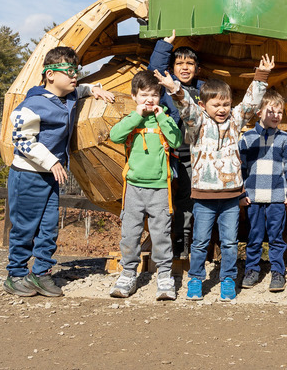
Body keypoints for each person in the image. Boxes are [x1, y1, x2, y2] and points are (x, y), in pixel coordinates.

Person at [156, 54, 275, 301]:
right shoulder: (197, 122)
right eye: (216, 105)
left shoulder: (235, 120)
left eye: (226, 104)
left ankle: (228, 279)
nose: (222, 110)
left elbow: (251, 103)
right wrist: (174, 89)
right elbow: (185, 105)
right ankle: (196, 280)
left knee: (230, 242)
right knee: (199, 242)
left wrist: (261, 76)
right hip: (204, 196)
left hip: (231, 196)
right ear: (204, 106)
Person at [4, 46, 116, 297]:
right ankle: (16, 274)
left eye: (76, 71)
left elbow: (80, 90)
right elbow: (22, 141)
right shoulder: (32, 105)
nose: (75, 76)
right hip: (28, 174)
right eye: (68, 71)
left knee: (49, 227)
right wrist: (51, 162)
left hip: (49, 176)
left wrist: (94, 90)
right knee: (24, 227)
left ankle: (41, 273)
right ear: (50, 74)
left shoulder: (69, 95)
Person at [108, 71, 183, 300]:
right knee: (129, 233)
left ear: (160, 97)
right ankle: (128, 274)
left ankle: (164, 276)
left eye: (154, 95)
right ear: (134, 96)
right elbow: (115, 136)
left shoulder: (164, 119)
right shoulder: (131, 119)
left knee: (161, 233)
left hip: (161, 187)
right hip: (133, 187)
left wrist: (162, 117)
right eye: (143, 95)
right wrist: (136, 116)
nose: (149, 100)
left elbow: (176, 140)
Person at [148, 30, 204, 260]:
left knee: (188, 202)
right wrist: (165, 45)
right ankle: (162, 245)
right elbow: (156, 70)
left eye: (190, 63)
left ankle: (184, 244)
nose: (185, 67)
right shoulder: (167, 86)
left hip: (192, 155)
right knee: (162, 200)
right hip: (169, 154)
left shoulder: (203, 89)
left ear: (197, 68)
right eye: (179, 63)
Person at [238, 90, 287, 293]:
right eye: (270, 111)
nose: (275, 115)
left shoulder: (285, 139)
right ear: (259, 112)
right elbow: (240, 169)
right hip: (253, 197)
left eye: (279, 112)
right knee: (254, 236)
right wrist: (241, 193)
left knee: (276, 237)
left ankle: (277, 272)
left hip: (276, 198)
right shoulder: (246, 139)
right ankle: (252, 270)